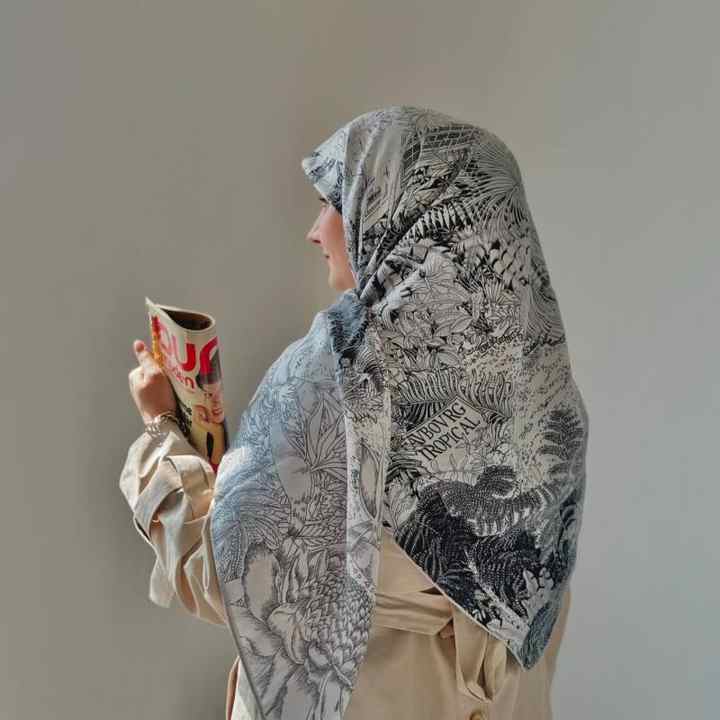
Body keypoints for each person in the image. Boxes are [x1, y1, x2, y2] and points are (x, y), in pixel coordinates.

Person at [122, 106, 581, 720]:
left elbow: (226, 579)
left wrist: (159, 433)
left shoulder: (338, 378)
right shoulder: (546, 387)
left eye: (333, 202)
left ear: (397, 213)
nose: (316, 231)